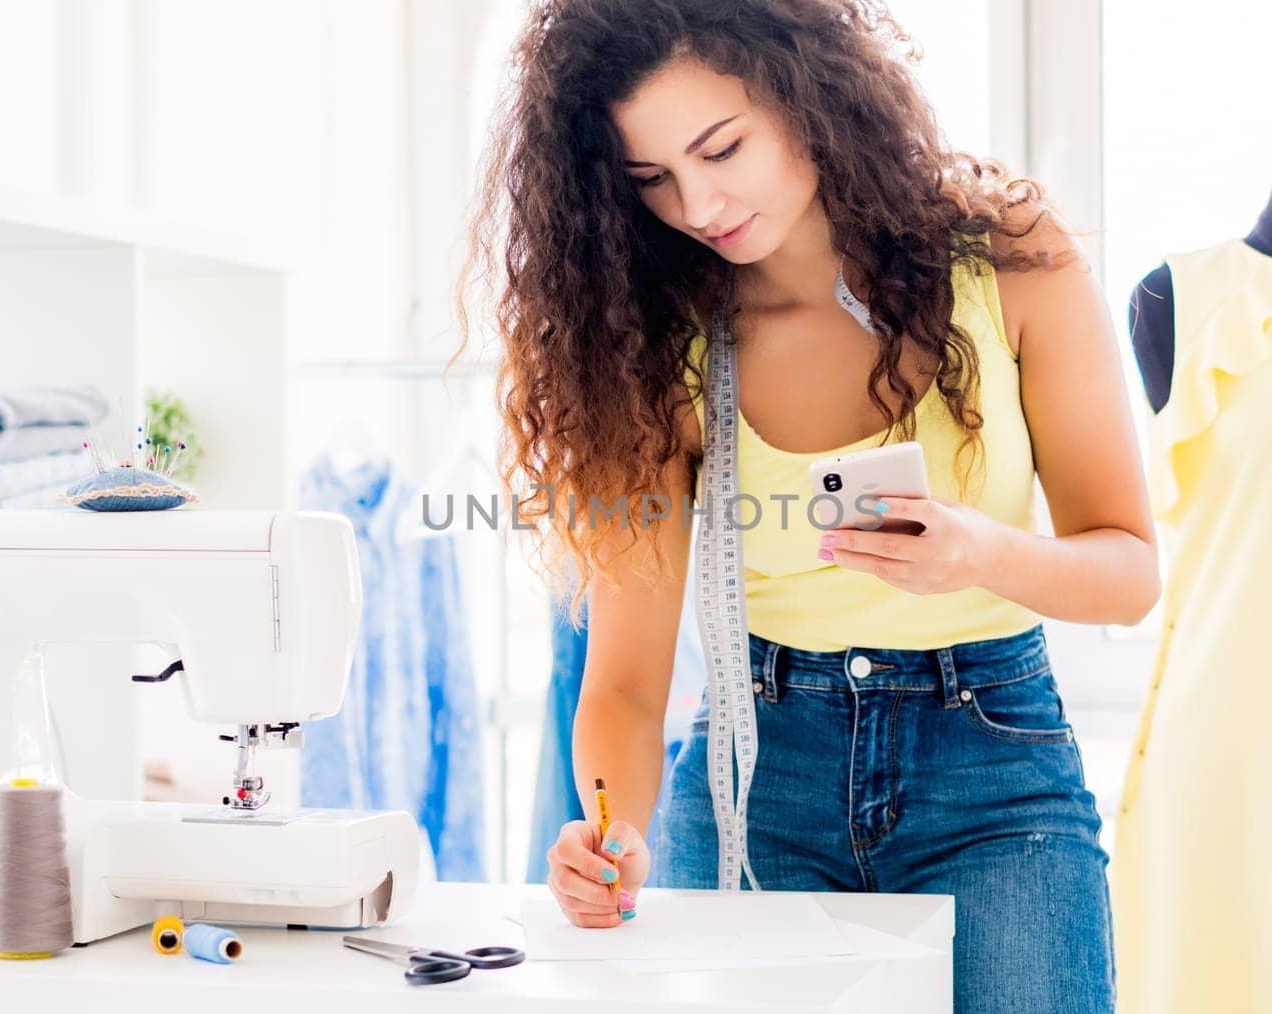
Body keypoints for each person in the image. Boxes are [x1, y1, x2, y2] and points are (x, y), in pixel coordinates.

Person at [457, 2, 1159, 1009]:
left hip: (993, 773)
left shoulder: (1005, 261)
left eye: (719, 148)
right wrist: (611, 832)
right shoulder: (657, 347)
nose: (696, 204)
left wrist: (980, 553)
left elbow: (1129, 573)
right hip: (758, 775)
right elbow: (621, 684)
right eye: (650, 178)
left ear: (804, 93)